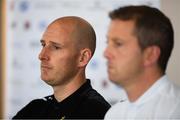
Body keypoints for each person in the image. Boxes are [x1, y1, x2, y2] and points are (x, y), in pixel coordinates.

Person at [13, 16, 110, 119]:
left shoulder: (97, 113)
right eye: (43, 45)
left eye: (56, 47)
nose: (41, 56)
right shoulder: (35, 109)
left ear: (82, 58)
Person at [104, 5, 180, 119]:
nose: (106, 53)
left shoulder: (175, 110)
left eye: (118, 43)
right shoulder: (114, 114)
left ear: (150, 55)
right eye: (107, 42)